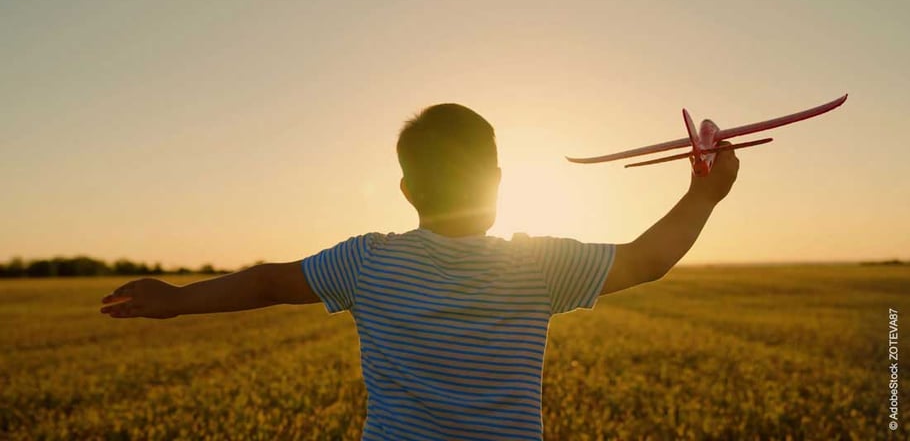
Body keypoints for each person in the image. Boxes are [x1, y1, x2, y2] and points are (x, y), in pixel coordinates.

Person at [100, 103, 738, 440]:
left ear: (407, 191)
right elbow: (647, 261)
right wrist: (703, 195)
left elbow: (268, 281)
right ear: (495, 181)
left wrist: (178, 299)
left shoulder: (369, 261)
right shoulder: (536, 265)